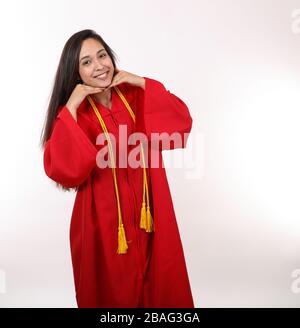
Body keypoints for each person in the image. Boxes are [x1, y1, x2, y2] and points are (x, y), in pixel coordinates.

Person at [41, 29, 194, 308]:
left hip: (151, 212)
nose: (99, 65)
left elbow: (180, 123)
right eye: (86, 62)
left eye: (102, 56)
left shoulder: (134, 95)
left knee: (159, 285)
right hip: (104, 220)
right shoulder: (76, 113)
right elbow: (63, 169)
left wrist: (142, 82)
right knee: (111, 292)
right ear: (75, 74)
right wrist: (72, 105)